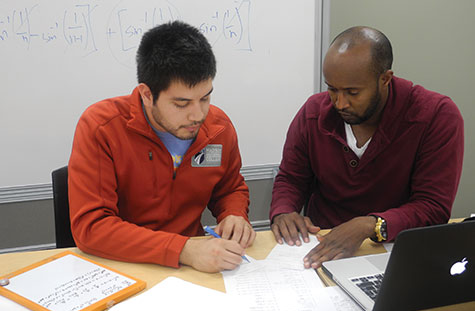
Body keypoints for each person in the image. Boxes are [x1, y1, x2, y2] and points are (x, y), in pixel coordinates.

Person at [68, 21, 255, 273]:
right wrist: (183, 250)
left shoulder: (218, 129)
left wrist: (234, 215)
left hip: (193, 266)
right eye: (181, 104)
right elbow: (92, 228)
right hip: (123, 264)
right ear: (147, 94)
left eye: (205, 98)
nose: (197, 115)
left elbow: (229, 188)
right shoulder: (102, 127)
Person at [270, 26, 464, 269]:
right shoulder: (313, 112)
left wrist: (369, 225)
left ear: (385, 79)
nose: (340, 103)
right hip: (321, 249)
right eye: (332, 89)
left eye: (353, 92)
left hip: (393, 252)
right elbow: (291, 178)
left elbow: (432, 207)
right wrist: (284, 211)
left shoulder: (436, 116)